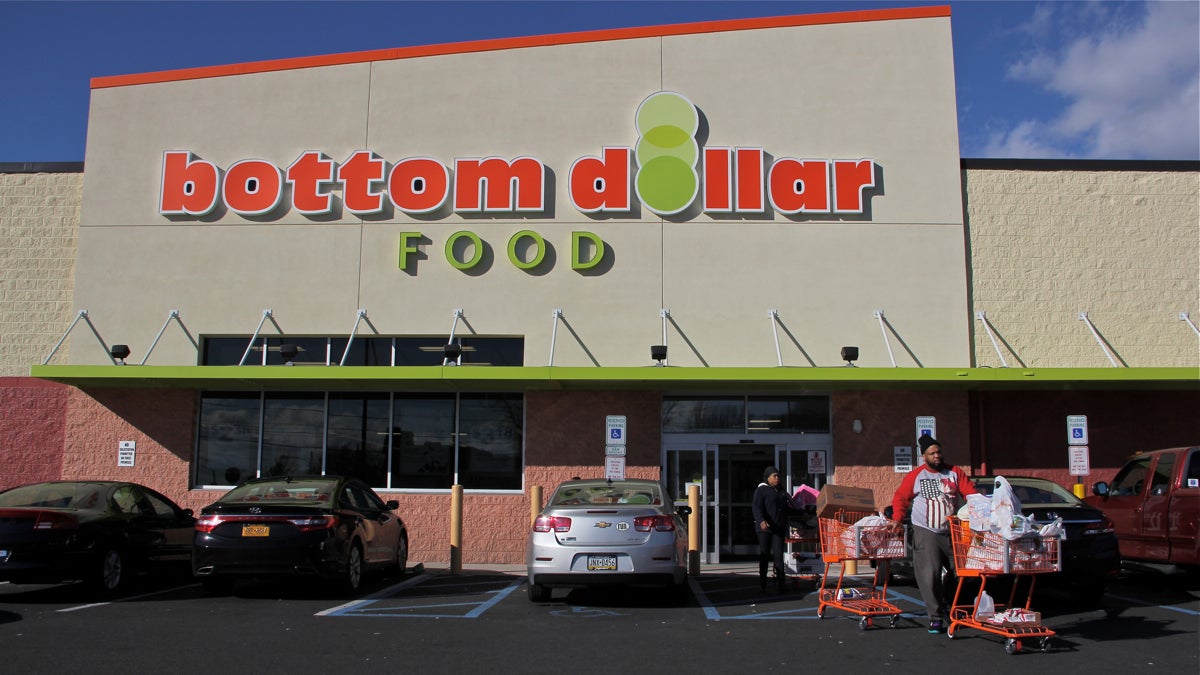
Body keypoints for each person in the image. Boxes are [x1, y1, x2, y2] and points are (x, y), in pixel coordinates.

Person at [890, 435, 978, 634]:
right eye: (932, 453)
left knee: (964, 572)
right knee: (929, 575)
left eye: (939, 452)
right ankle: (935, 617)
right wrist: (897, 518)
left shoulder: (955, 473)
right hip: (926, 531)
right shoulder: (916, 476)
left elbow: (970, 493)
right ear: (924, 457)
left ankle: (950, 603)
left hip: (952, 531)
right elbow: (901, 498)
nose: (937, 456)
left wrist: (979, 507)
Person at [752, 466, 791, 593]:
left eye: (778, 476)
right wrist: (761, 520)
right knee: (765, 554)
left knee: (779, 555)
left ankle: (781, 584)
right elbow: (756, 507)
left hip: (778, 528)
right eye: (774, 476)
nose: (777, 478)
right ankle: (763, 583)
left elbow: (788, 507)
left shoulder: (781, 491)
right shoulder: (761, 490)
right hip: (765, 529)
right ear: (767, 478)